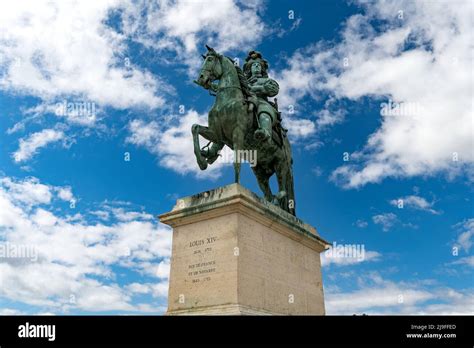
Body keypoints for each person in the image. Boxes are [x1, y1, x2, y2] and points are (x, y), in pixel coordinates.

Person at [243, 51, 280, 142]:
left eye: (258, 65)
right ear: (249, 69)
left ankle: (266, 132)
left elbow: (273, 89)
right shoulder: (243, 82)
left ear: (262, 68)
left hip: (261, 102)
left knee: (263, 111)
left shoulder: (266, 80)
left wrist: (253, 88)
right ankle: (214, 149)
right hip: (245, 101)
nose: (256, 66)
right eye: (253, 65)